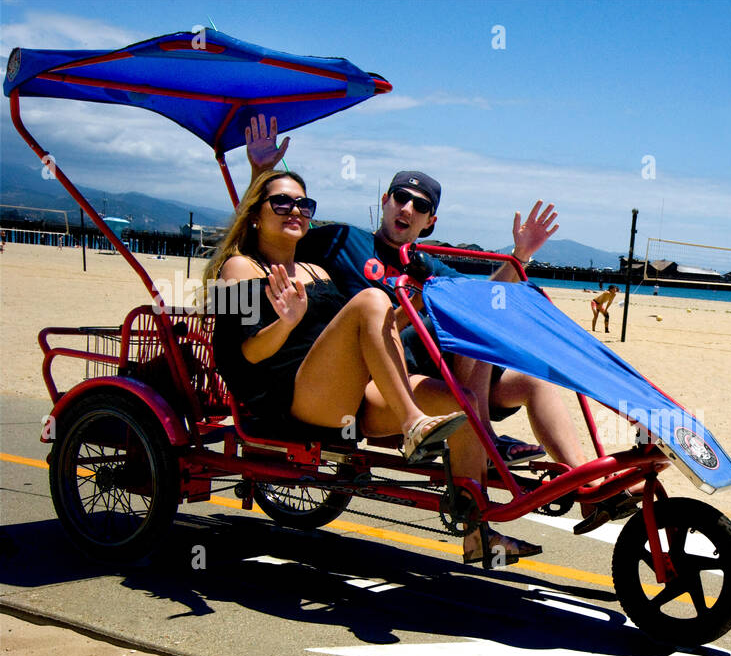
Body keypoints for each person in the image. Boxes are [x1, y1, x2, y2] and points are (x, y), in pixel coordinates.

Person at [245, 117, 632, 539]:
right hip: (374, 377)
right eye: (400, 198)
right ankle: (485, 447)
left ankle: (587, 486)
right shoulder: (342, 240)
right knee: (463, 338)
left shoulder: (425, 264)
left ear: (429, 222)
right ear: (385, 201)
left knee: (524, 371)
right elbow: (274, 229)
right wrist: (260, 172)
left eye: (420, 206)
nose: (407, 208)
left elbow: (482, 297)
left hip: (434, 368)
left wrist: (520, 255)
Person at [206, 171, 467, 470]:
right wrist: (286, 323)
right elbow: (242, 353)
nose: (294, 210)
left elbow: (366, 336)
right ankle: (412, 424)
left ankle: (473, 502)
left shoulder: (318, 271)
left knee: (461, 400)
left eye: (304, 205)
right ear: (255, 215)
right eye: (281, 203)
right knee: (372, 298)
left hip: (342, 396)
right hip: (290, 401)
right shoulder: (237, 267)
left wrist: (414, 304)